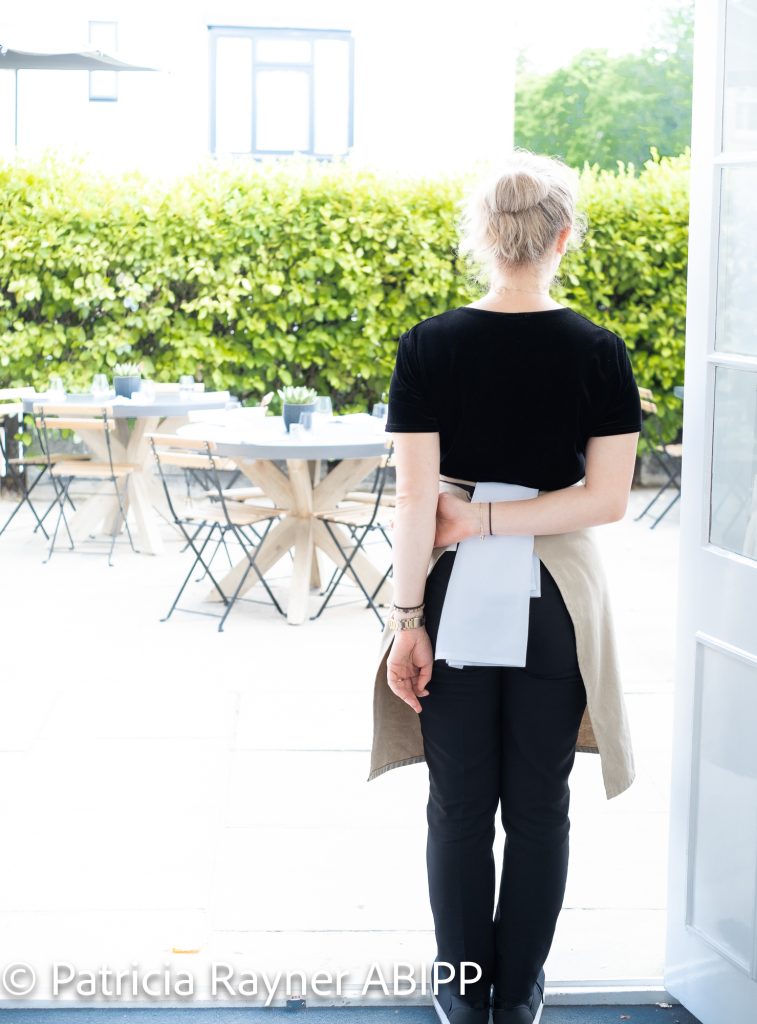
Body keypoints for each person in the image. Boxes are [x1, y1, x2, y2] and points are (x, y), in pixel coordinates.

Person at [382, 149, 642, 1024]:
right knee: (538, 806)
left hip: (450, 590)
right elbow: (605, 500)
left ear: (482, 239)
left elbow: (416, 499)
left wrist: (407, 618)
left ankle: (463, 992)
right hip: (556, 599)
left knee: (457, 806)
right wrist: (498, 520)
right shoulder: (599, 352)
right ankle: (519, 990)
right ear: (563, 238)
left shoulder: (427, 345)